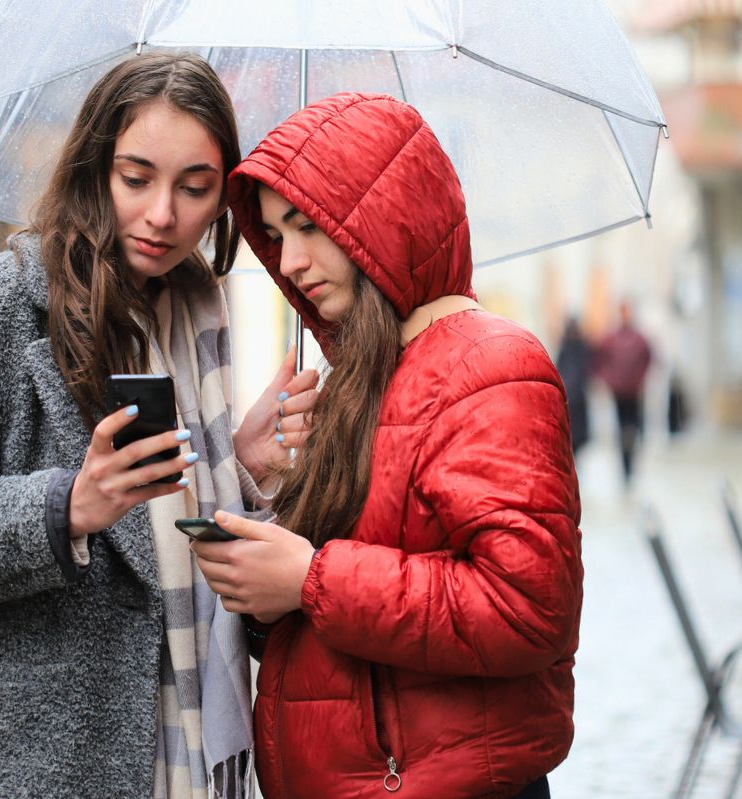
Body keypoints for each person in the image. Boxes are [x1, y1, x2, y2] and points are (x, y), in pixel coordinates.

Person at [0, 53, 317, 799]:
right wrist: (66, 506)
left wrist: (235, 464)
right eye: (136, 178)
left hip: (171, 753)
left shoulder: (193, 315)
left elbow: (166, 526)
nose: (164, 214)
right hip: (9, 760)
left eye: (195, 188)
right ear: (93, 168)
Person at [191, 93, 583, 799]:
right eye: (277, 235)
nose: (293, 259)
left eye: (310, 225)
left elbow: (528, 607)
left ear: (384, 217)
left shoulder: (491, 366)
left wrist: (312, 578)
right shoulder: (359, 382)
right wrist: (271, 561)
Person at [595, 301, 652, 483]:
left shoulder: (639, 338)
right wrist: (609, 379)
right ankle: (625, 468)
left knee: (633, 429)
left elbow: (648, 358)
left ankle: (632, 464)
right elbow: (600, 361)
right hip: (619, 392)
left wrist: (640, 378)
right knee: (622, 430)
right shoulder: (611, 339)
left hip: (634, 392)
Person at [555, 316, 593, 456]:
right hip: (573, 396)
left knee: (574, 435)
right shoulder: (577, 348)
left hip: (572, 396)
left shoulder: (571, 348)